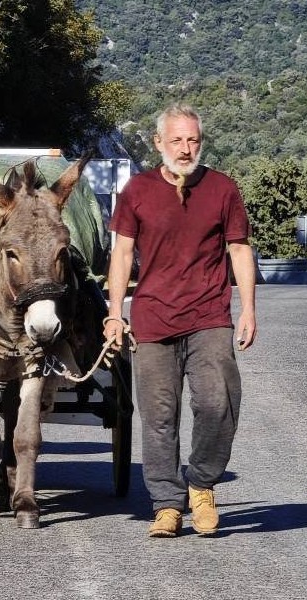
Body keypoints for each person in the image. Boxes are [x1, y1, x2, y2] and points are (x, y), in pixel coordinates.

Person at [103, 103, 257, 538]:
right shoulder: (137, 191)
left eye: (192, 140)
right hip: (152, 319)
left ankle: (202, 484)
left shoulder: (222, 189)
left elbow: (240, 251)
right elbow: (122, 254)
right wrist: (115, 313)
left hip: (209, 316)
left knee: (217, 403)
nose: (185, 149)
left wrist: (247, 308)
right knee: (158, 417)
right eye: (177, 140)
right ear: (159, 143)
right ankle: (167, 505)